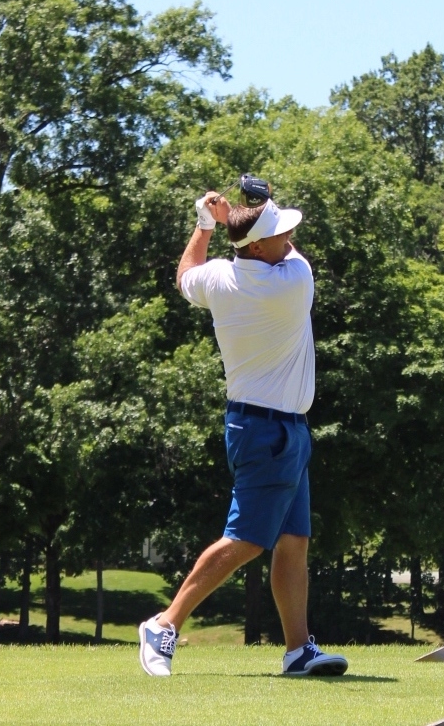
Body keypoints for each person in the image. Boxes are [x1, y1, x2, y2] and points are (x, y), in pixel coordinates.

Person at [137, 182, 349, 678]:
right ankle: (164, 624)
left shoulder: (220, 280)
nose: (289, 234)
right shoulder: (291, 281)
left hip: (281, 429)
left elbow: (185, 272)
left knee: (293, 539)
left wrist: (208, 222)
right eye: (279, 231)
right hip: (266, 432)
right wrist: (250, 208)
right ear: (257, 247)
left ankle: (299, 650)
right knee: (248, 539)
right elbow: (291, 251)